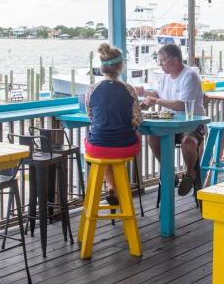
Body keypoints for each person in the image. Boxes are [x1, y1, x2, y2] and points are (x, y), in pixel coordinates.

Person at [139, 43, 206, 195]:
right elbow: (160, 95)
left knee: (188, 142)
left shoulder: (190, 75)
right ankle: (169, 171)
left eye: (162, 60)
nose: (159, 63)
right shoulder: (164, 77)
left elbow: (181, 105)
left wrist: (156, 101)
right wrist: (145, 93)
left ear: (175, 60)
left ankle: (190, 174)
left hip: (192, 123)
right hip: (170, 124)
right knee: (153, 138)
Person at [84, 43, 142, 204]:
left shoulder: (92, 89)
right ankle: (117, 188)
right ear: (121, 67)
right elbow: (137, 120)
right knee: (133, 135)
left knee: (103, 143)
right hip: (125, 147)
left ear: (102, 68)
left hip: (97, 147)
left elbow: (92, 118)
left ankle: (112, 187)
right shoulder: (129, 89)